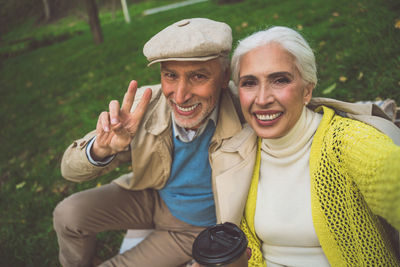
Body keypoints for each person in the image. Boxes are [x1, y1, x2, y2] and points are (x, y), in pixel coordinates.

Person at [53, 18, 247, 267]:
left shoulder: (246, 110)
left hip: (191, 229)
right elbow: (69, 169)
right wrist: (102, 149)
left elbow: (294, 108)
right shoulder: (147, 104)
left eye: (198, 76)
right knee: (67, 214)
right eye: (170, 75)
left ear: (224, 76)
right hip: (151, 197)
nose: (180, 95)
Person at [213, 26, 400, 266]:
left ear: (307, 90)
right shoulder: (238, 152)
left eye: (280, 80)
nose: (262, 99)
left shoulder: (348, 142)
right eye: (249, 83)